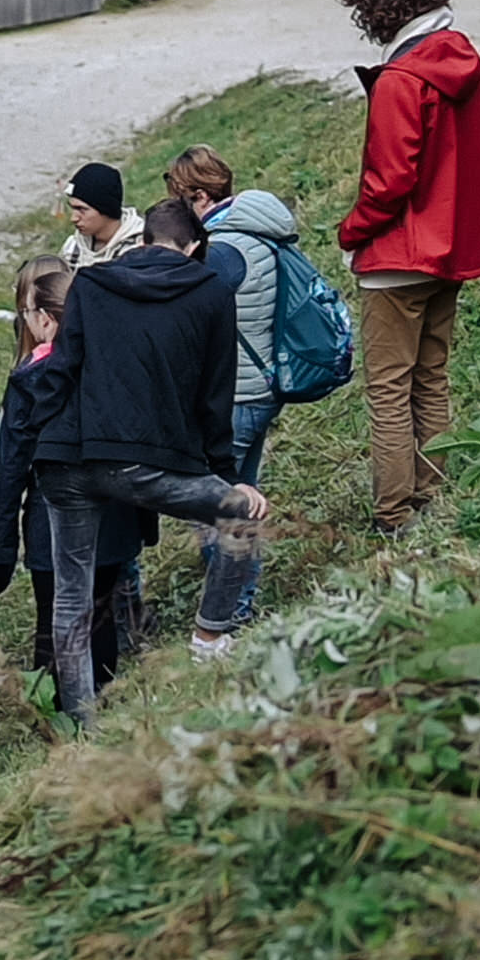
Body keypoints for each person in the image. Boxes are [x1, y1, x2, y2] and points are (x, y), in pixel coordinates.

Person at [34, 198, 269, 727]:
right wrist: (227, 475)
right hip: (149, 458)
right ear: (194, 247)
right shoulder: (211, 291)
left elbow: (63, 367)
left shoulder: (91, 284)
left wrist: (37, 437)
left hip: (69, 456)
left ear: (142, 242)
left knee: (71, 595)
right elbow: (215, 395)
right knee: (241, 514)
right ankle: (209, 635)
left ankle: (81, 722)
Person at [335, 0, 480, 537]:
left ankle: (393, 515)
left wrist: (349, 233)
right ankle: (433, 494)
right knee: (431, 378)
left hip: (398, 256)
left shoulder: (402, 79)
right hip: (448, 248)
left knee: (387, 390)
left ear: (379, 9)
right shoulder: (458, 58)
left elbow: (389, 183)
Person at [167, 145, 300, 651]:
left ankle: (230, 614)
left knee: (221, 509)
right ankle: (239, 605)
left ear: (199, 196)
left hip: (236, 396)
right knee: (244, 497)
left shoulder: (223, 250)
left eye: (181, 201)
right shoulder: (258, 230)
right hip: (259, 386)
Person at [0, 259, 137, 689]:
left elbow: (13, 461)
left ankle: (58, 713)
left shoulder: (30, 379)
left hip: (51, 512)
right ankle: (104, 698)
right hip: (114, 510)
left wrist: (3, 533)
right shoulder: (115, 365)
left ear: (48, 321)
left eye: (32, 312)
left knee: (53, 616)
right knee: (100, 612)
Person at [58, 162, 144, 268]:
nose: (73, 218)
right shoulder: (71, 248)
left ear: (106, 209)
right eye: (73, 208)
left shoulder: (140, 251)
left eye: (81, 209)